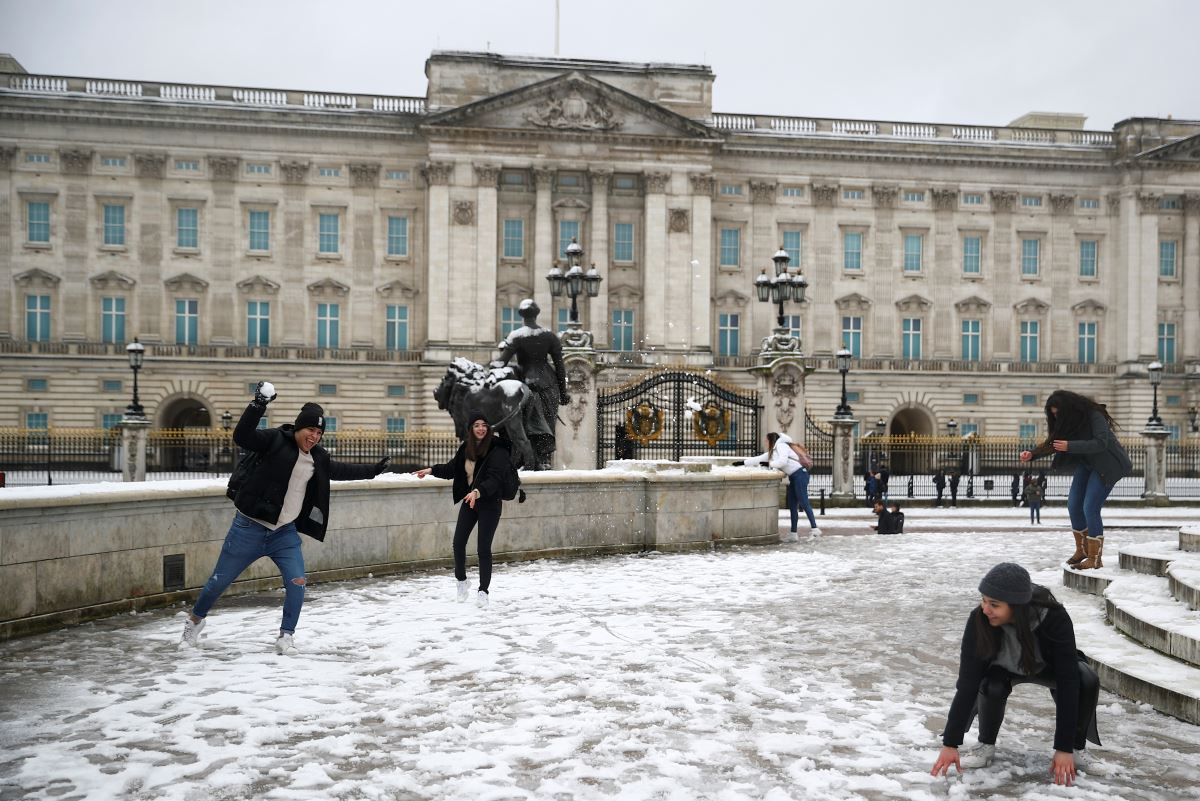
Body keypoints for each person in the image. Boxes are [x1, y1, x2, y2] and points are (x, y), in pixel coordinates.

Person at [180, 384, 389, 655]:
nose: (314, 436)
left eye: (319, 432)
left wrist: (373, 470)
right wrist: (258, 405)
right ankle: (194, 621)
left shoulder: (318, 457)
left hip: (284, 535)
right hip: (249, 528)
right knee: (217, 582)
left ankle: (285, 636)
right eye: (310, 430)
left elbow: (341, 470)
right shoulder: (275, 440)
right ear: (298, 428)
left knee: (297, 584)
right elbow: (242, 436)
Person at [931, 563, 1101, 786]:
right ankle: (985, 745)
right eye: (984, 600)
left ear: (1017, 606)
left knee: (1085, 679)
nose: (985, 609)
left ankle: (1077, 750)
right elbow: (967, 684)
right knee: (990, 685)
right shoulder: (979, 620)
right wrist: (950, 744)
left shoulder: (1054, 617)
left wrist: (1064, 747)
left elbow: (1068, 682)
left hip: (1045, 667)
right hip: (1003, 670)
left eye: (994, 604)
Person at [1021, 390, 1131, 570]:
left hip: (1108, 465)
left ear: (1069, 408)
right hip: (1088, 464)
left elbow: (1100, 443)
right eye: (1053, 414)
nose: (1056, 417)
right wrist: (1032, 454)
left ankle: (1095, 558)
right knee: (1073, 505)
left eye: (1058, 413)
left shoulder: (1094, 415)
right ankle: (1083, 550)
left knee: (1090, 507)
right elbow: (1054, 443)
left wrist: (1070, 446)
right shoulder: (1070, 422)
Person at [415, 411, 514, 608]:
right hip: (470, 502)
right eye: (476, 425)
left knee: (483, 549)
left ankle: (483, 591)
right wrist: (431, 470)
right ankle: (462, 581)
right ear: (471, 428)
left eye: (484, 425)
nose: (481, 428)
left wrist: (478, 491)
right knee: (458, 543)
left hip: (489, 502)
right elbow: (453, 468)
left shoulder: (498, 449)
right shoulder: (466, 448)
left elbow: (495, 478)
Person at [495, 299, 568, 470]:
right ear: (537, 314)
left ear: (521, 315)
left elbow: (500, 363)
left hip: (524, 383)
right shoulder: (549, 336)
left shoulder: (516, 336)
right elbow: (560, 366)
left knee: (523, 425)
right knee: (546, 426)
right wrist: (563, 392)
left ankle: (522, 459)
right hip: (548, 384)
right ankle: (543, 460)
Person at [734, 432, 820, 542]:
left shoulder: (781, 446)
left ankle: (815, 530)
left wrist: (769, 464)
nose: (765, 442)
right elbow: (758, 459)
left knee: (804, 502)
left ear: (771, 440)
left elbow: (782, 462)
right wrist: (741, 463)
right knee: (793, 505)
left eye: (766, 440)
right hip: (794, 477)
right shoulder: (773, 452)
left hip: (800, 475)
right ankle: (793, 534)